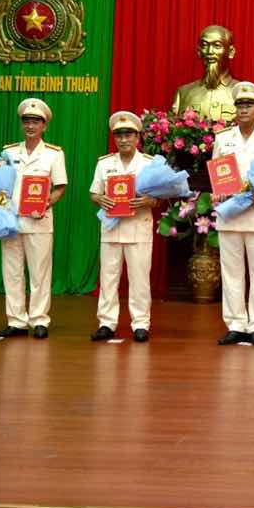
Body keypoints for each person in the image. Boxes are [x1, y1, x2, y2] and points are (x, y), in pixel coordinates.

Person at [211, 82, 254, 346]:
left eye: (248, 105)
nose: (243, 109)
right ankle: (235, 323)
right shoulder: (222, 138)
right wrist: (219, 191)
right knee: (231, 271)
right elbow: (218, 173)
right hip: (229, 212)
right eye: (239, 105)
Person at [0, 98, 67, 339]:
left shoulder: (54, 154)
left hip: (38, 220)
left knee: (39, 273)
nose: (30, 126)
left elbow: (60, 188)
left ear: (44, 126)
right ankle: (16, 321)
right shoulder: (9, 151)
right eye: (26, 121)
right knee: (12, 272)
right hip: (11, 221)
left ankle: (39, 320)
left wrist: (48, 202)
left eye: (36, 121)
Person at [89, 111, 158, 343]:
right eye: (119, 134)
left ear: (138, 137)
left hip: (139, 227)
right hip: (111, 228)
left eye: (128, 134)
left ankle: (140, 323)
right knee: (108, 278)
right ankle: (106, 323)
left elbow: (159, 197)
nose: (123, 139)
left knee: (139, 279)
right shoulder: (104, 163)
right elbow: (94, 192)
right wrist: (101, 199)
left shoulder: (149, 163)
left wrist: (149, 201)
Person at [171, 25, 240, 124]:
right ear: (199, 51)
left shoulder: (243, 93)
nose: (210, 52)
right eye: (205, 45)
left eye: (217, 45)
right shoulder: (183, 93)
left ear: (230, 52)